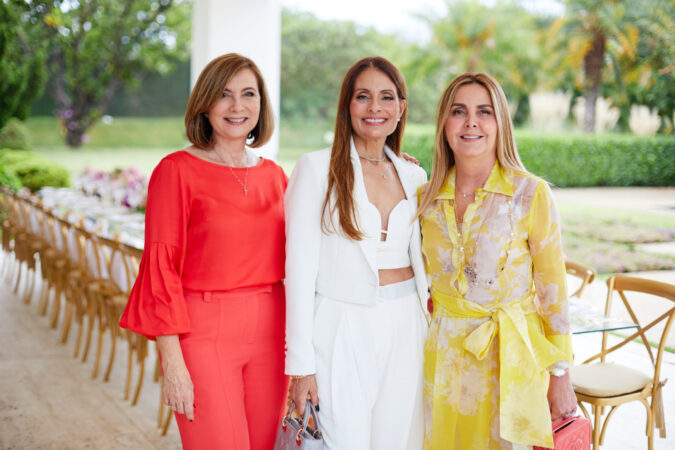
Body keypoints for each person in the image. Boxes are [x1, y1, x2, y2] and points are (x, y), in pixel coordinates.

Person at [119, 53, 289, 449]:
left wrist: (386, 165)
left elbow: (320, 237)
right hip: (205, 332)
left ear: (261, 104)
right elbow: (160, 270)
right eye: (224, 94)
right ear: (205, 104)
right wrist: (172, 364)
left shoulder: (275, 176)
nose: (237, 106)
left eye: (248, 94)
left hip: (273, 330)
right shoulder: (176, 171)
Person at [417, 73, 577, 449]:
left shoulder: (530, 194)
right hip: (442, 359)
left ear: (501, 122)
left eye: (484, 112)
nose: (471, 122)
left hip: (510, 362)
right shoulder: (423, 198)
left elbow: (553, 291)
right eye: (459, 111)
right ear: (444, 123)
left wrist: (561, 374)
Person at [284, 56, 429, 450]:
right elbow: (298, 272)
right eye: (363, 96)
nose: (374, 107)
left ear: (401, 108)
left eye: (386, 97)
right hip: (341, 323)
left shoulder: (415, 175)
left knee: (397, 441)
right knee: (342, 440)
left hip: (406, 325)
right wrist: (301, 367)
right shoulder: (315, 169)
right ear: (347, 105)